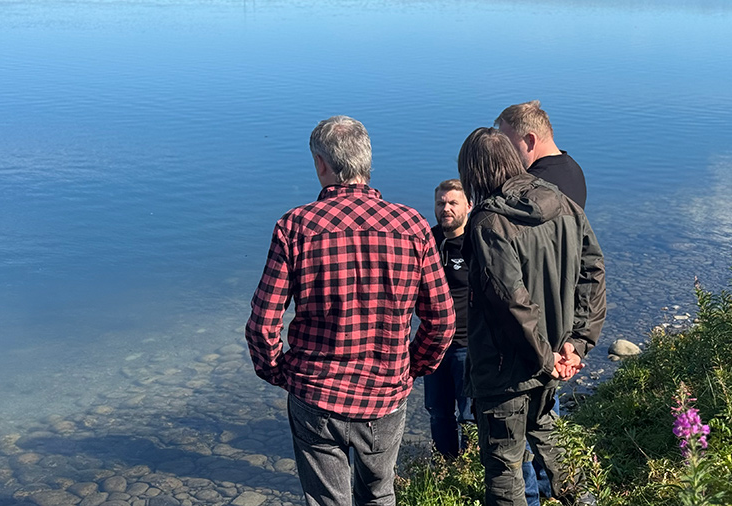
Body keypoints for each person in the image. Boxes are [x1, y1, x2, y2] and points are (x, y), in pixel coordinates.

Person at [244, 115, 456, 506]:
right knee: (379, 493)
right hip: (385, 394)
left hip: (316, 393)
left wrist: (280, 372)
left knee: (328, 501)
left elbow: (262, 325)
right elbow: (441, 320)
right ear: (366, 161)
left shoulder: (295, 227)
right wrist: (412, 366)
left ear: (321, 163)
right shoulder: (412, 226)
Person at [457, 127, 606, 506]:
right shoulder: (563, 204)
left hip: (505, 370)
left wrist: (546, 356)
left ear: (473, 172)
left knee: (504, 469)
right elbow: (592, 271)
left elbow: (510, 301)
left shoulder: (488, 223)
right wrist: (576, 343)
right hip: (551, 356)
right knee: (552, 441)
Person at [497, 100, 590, 505]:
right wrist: (578, 337)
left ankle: (538, 495)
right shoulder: (572, 170)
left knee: (527, 427)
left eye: (507, 143)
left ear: (529, 140)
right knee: (547, 421)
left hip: (536, 328)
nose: (503, 154)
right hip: (558, 321)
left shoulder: (537, 188)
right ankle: (563, 491)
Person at [425, 179, 474, 459]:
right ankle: (445, 468)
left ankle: (470, 469)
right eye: (441, 203)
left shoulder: (477, 242)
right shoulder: (428, 241)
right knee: (437, 412)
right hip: (434, 344)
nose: (446, 209)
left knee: (469, 415)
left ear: (469, 206)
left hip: (467, 345)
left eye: (453, 203)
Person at [495, 100, 587, 210]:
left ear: (530, 140)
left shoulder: (531, 186)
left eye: (508, 144)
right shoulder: (574, 169)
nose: (505, 151)